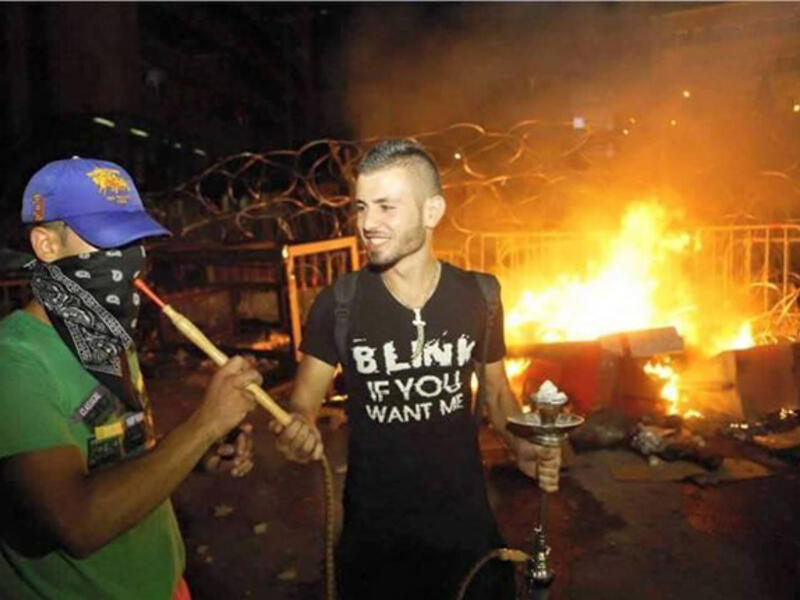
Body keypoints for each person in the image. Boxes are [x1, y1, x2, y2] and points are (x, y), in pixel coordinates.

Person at [270, 139, 561, 599]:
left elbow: (498, 395)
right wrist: (298, 430)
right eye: (363, 207)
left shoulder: (479, 295)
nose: (368, 224)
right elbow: (303, 403)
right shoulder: (339, 304)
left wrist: (519, 444)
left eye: (386, 207)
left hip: (464, 524)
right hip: (376, 535)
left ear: (432, 212)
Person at [0, 157, 261, 600]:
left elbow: (122, 454)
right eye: (107, 238)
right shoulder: (14, 363)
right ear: (45, 244)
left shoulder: (107, 335)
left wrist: (199, 452)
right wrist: (204, 424)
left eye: (134, 238)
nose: (129, 259)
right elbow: (78, 522)